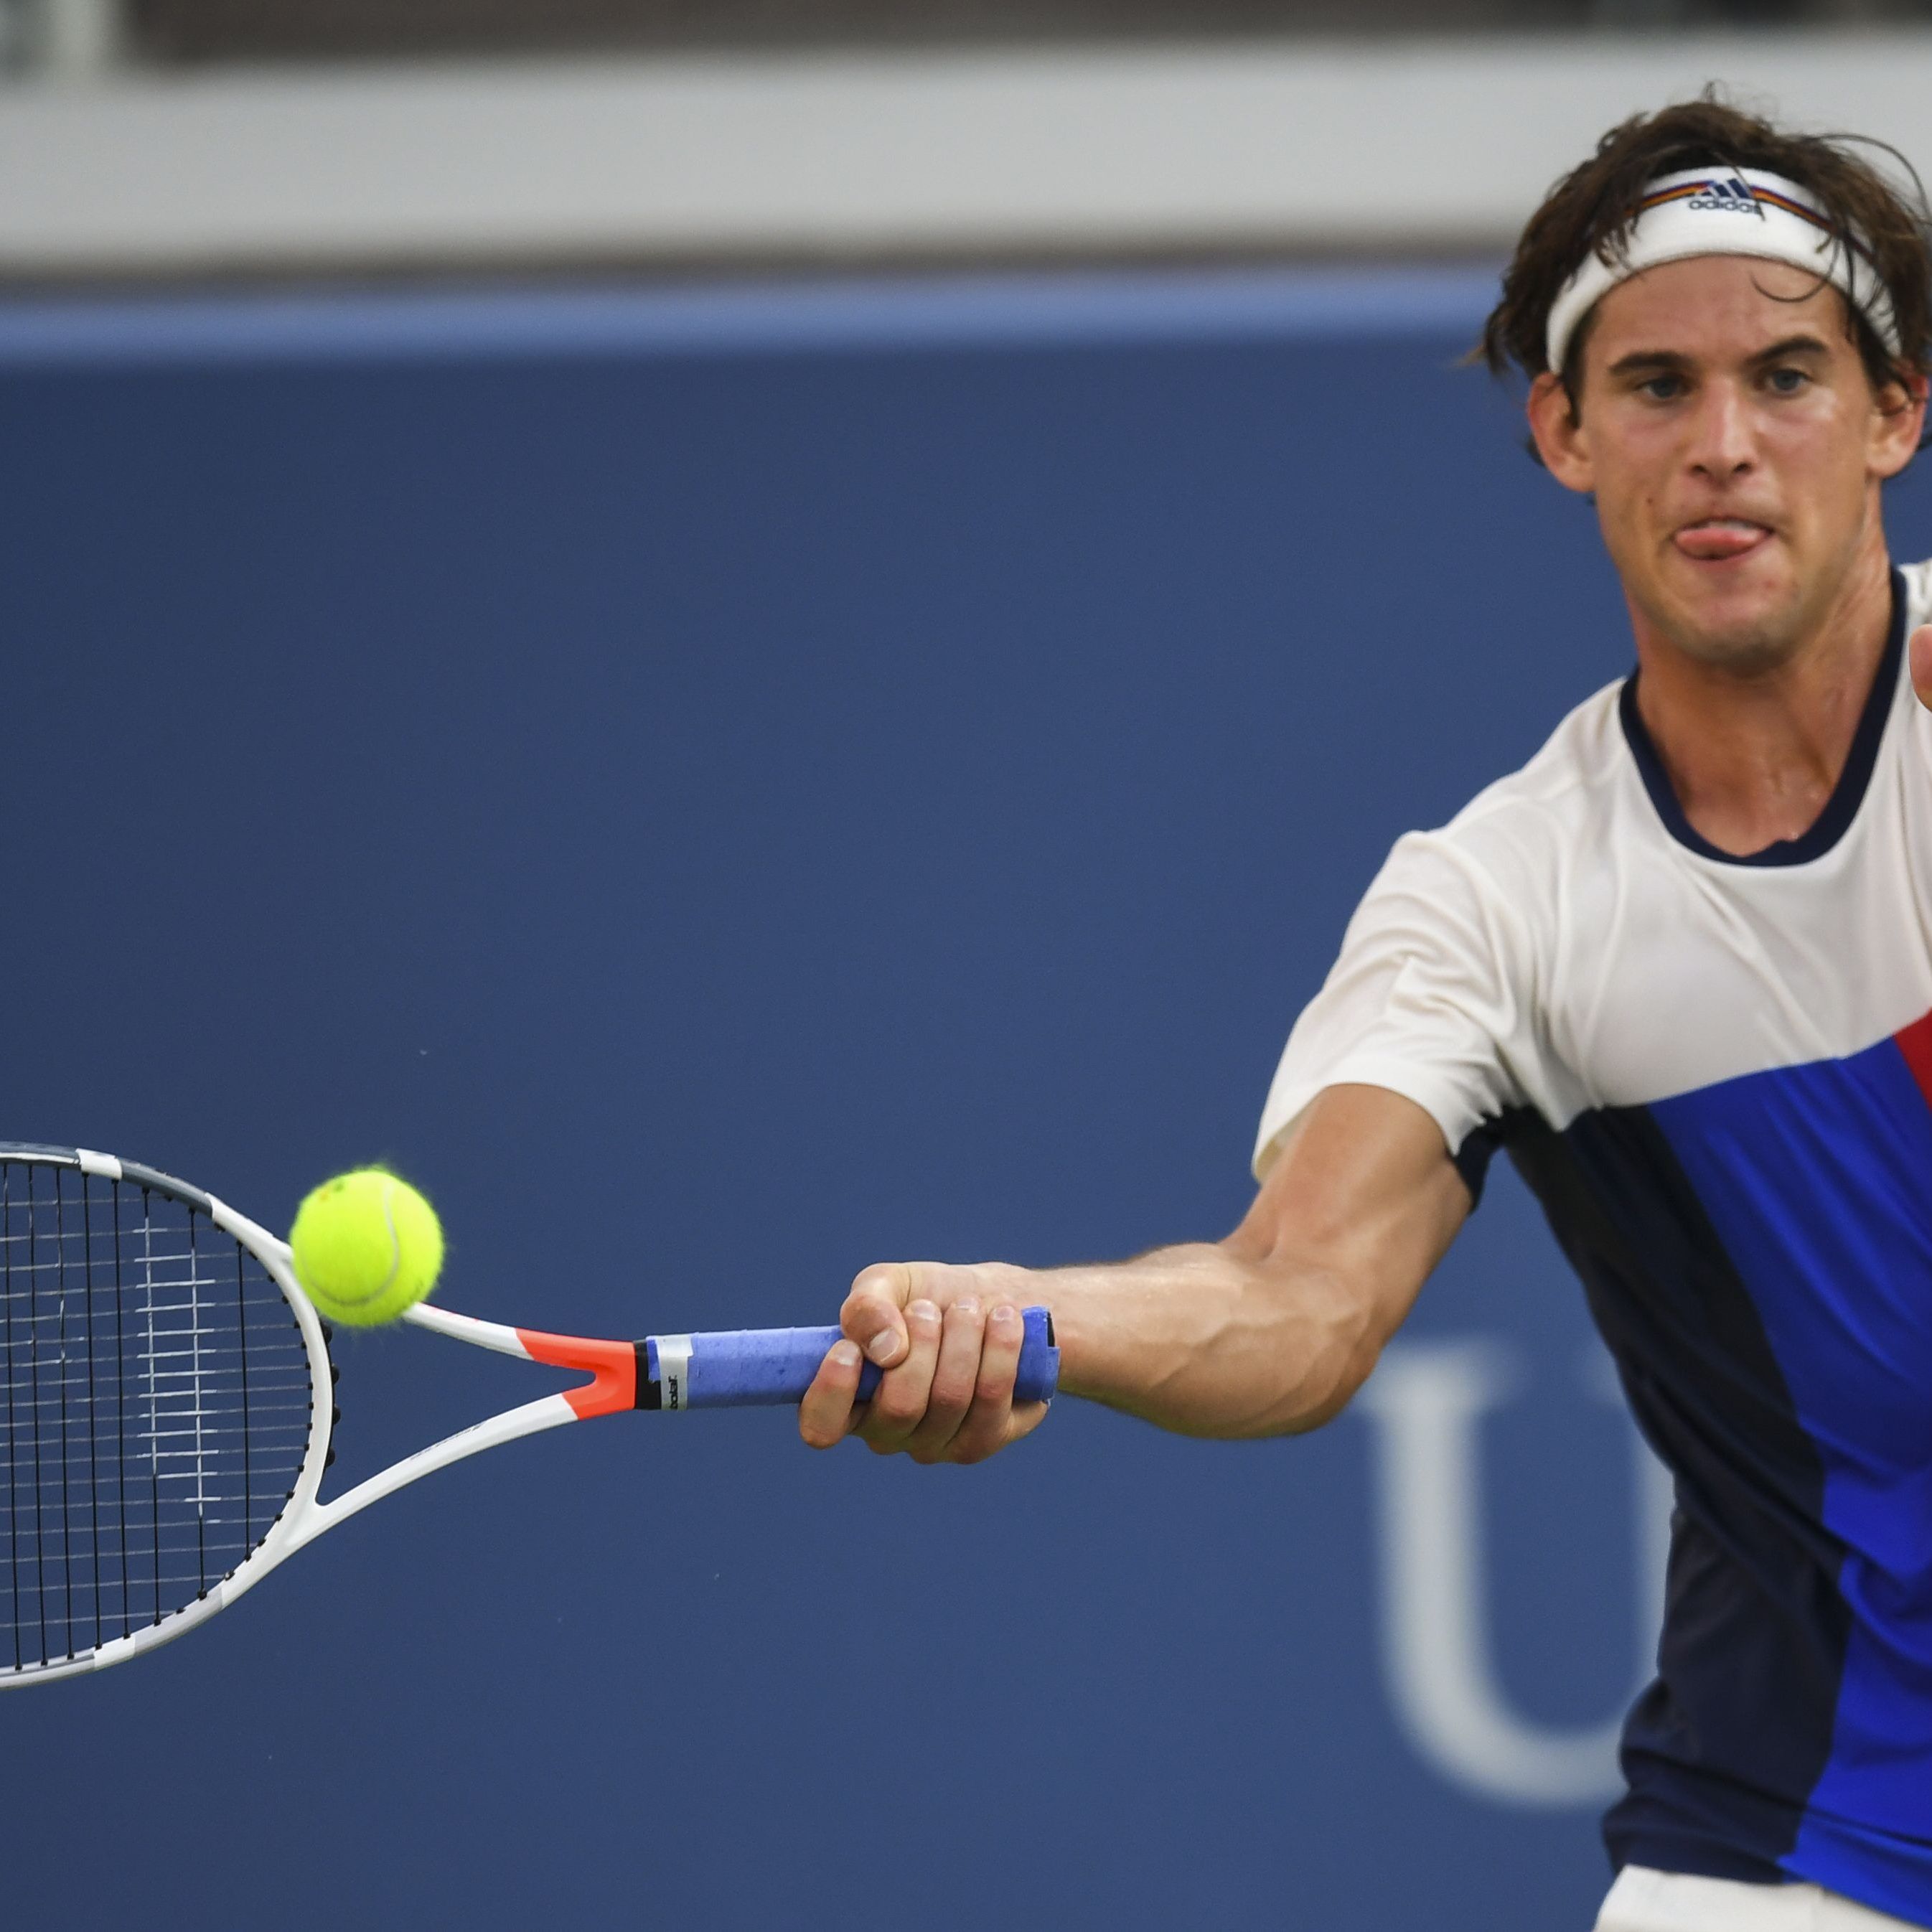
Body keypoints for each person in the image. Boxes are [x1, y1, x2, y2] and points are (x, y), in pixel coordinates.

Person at [800, 97, 1932, 1932]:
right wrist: (1027, 1313)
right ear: (1563, 431)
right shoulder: (1490, 905)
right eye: (1653, 385)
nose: (1722, 447)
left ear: (1893, 410)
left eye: (1785, 375)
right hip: (1812, 1835)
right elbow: (1293, 1300)